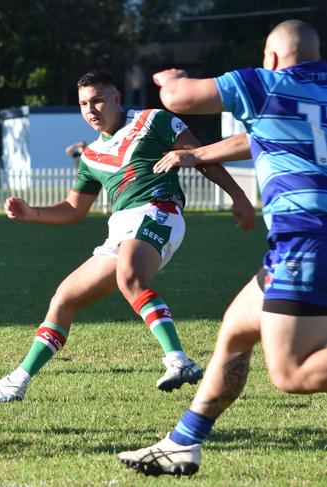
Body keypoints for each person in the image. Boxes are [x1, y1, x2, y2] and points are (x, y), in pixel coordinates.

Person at [118, 19, 327, 477]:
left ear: (270, 58)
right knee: (235, 330)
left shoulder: (266, 82)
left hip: (306, 238)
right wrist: (197, 154)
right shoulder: (314, 96)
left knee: (290, 373)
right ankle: (183, 443)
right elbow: (256, 138)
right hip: (308, 238)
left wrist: (170, 82)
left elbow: (180, 99)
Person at [0, 69, 254, 403]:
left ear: (117, 98)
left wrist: (238, 197)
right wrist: (32, 212)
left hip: (158, 210)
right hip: (121, 228)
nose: (91, 110)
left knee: (130, 276)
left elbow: (202, 157)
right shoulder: (91, 156)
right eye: (83, 103)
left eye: (98, 100)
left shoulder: (154, 120)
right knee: (65, 298)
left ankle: (178, 359)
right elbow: (74, 208)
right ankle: (17, 382)